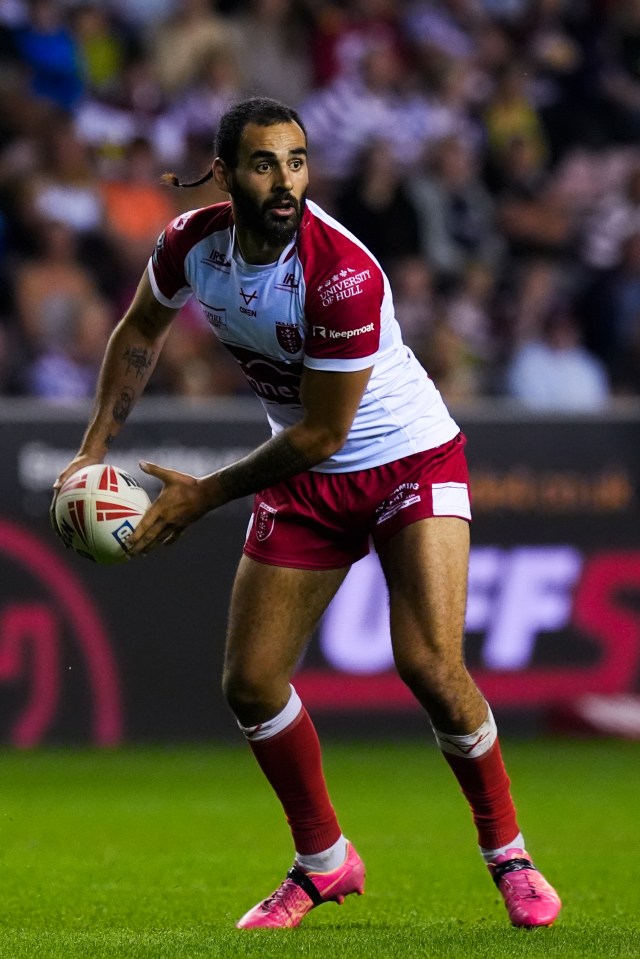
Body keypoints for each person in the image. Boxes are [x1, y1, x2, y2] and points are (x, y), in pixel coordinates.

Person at [51, 97, 562, 931]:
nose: (285, 181)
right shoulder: (191, 245)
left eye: (296, 161)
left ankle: (508, 852)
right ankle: (324, 861)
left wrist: (203, 494)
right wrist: (89, 449)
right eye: (263, 163)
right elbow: (140, 330)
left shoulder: (341, 271)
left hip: (406, 457)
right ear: (224, 173)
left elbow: (325, 432)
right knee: (250, 683)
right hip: (305, 473)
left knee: (429, 663)